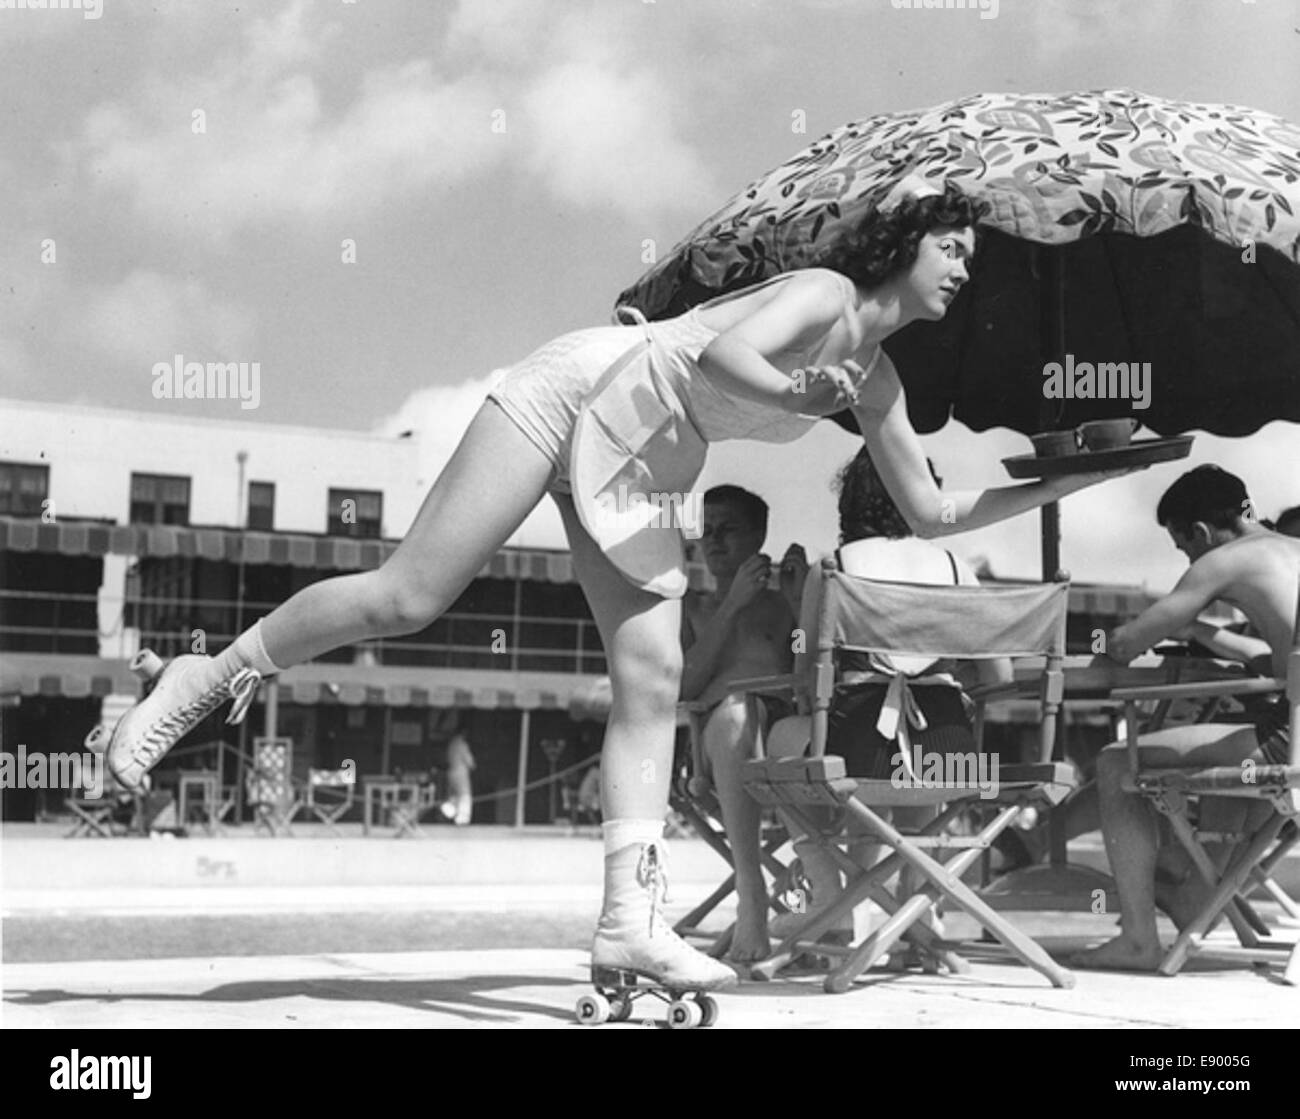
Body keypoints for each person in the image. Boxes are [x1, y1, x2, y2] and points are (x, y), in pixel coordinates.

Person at [98, 178, 1133, 992]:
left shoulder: (880, 382)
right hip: (579, 393)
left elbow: (931, 512)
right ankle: (207, 674)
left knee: (651, 679)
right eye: (953, 247)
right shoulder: (821, 297)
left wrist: (1068, 476)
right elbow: (725, 358)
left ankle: (626, 929)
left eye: (969, 257)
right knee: (409, 596)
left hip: (648, 465)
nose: (964, 269)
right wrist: (796, 386)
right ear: (900, 246)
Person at [764, 447, 1011, 945]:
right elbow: (1000, 673)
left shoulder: (834, 567)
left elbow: (801, 672)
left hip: (861, 752)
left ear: (852, 502)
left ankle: (828, 897)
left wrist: (796, 610)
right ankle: (921, 910)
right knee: (921, 763)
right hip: (953, 759)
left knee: (782, 739)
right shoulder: (958, 568)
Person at [1073, 465, 1300, 971]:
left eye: (1183, 548)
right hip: (1293, 734)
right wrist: (1201, 632)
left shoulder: (1223, 559)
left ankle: (1137, 937)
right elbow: (1283, 663)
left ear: (1198, 532)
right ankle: (1192, 898)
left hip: (1291, 747)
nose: (1188, 559)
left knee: (1115, 765)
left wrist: (1097, 641)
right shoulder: (1289, 549)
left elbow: (1128, 644)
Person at [680, 484, 801, 962]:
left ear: (759, 537)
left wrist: (796, 606)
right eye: (706, 532)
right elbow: (687, 685)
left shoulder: (777, 608)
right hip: (716, 741)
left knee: (805, 733)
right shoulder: (691, 605)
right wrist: (730, 606)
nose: (714, 541)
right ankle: (751, 892)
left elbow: (803, 672)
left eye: (728, 530)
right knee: (735, 714)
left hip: (777, 735)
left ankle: (816, 898)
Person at [441, 732, 476, 826]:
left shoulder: (451, 744)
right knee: (465, 795)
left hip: (451, 771)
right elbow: (469, 761)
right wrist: (472, 765)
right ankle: (462, 818)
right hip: (461, 773)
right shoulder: (462, 744)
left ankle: (449, 809)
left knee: (454, 796)